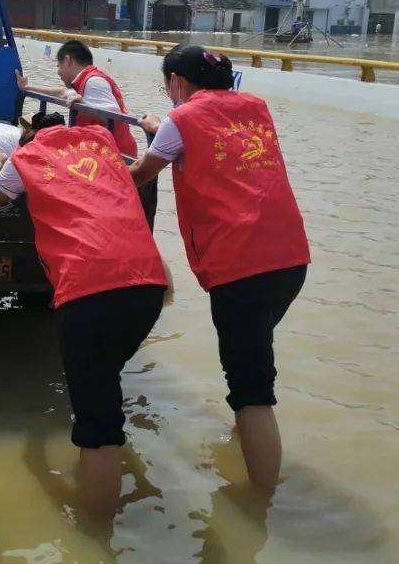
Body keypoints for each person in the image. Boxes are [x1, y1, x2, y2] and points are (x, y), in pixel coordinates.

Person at [128, 45, 310, 491]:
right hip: (290, 260)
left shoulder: (180, 120)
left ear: (175, 83)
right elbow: (219, 140)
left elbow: (142, 173)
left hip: (241, 267)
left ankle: (260, 506)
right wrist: (164, 131)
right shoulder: (256, 108)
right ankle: (244, 443)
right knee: (252, 357)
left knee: (252, 391)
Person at [0, 115, 167, 520]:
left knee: (96, 424)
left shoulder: (27, 154)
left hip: (88, 288)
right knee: (104, 383)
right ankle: (107, 484)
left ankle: (98, 535)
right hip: (148, 285)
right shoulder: (101, 143)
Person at [16, 39, 139, 158]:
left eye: (58, 66)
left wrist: (84, 105)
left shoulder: (94, 82)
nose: (58, 73)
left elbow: (113, 118)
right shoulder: (84, 82)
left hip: (118, 159)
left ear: (67, 60)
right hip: (107, 154)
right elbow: (62, 92)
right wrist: (27, 87)